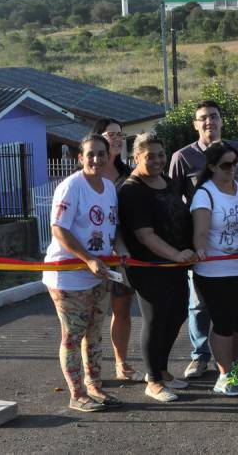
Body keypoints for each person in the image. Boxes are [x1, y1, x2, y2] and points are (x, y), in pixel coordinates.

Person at [168, 100, 238, 379]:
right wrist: (192, 244)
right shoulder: (182, 156)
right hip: (208, 254)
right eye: (203, 118)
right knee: (199, 306)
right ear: (196, 124)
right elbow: (173, 201)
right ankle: (201, 356)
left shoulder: (237, 151)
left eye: (214, 116)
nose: (210, 122)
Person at [43, 134, 123, 412]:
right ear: (80, 158)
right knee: (73, 335)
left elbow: (111, 228)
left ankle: (95, 387)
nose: (96, 160)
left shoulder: (110, 187)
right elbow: (58, 229)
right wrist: (87, 259)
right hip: (68, 276)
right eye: (90, 154)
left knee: (95, 334)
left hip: (99, 275)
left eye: (101, 154)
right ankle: (76, 394)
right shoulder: (71, 187)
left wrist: (114, 254)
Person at [117, 133, 196, 402]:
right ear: (136, 157)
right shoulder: (132, 190)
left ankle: (162, 369)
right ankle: (153, 381)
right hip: (148, 265)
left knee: (176, 314)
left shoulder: (169, 182)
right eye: (150, 156)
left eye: (161, 154)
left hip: (175, 264)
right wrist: (176, 254)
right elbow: (144, 235)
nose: (158, 160)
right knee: (155, 319)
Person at [191, 141, 238, 396]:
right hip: (216, 271)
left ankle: (231, 366)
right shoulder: (205, 194)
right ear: (211, 167)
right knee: (224, 322)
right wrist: (199, 248)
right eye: (225, 165)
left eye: (235, 163)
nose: (232, 168)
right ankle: (223, 375)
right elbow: (200, 231)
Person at [90, 118, 141, 383]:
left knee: (121, 310)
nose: (118, 139)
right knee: (92, 314)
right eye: (112, 135)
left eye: (121, 135)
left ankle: (121, 362)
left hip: (122, 255)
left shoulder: (129, 175)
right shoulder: (85, 176)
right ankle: (91, 369)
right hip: (90, 257)